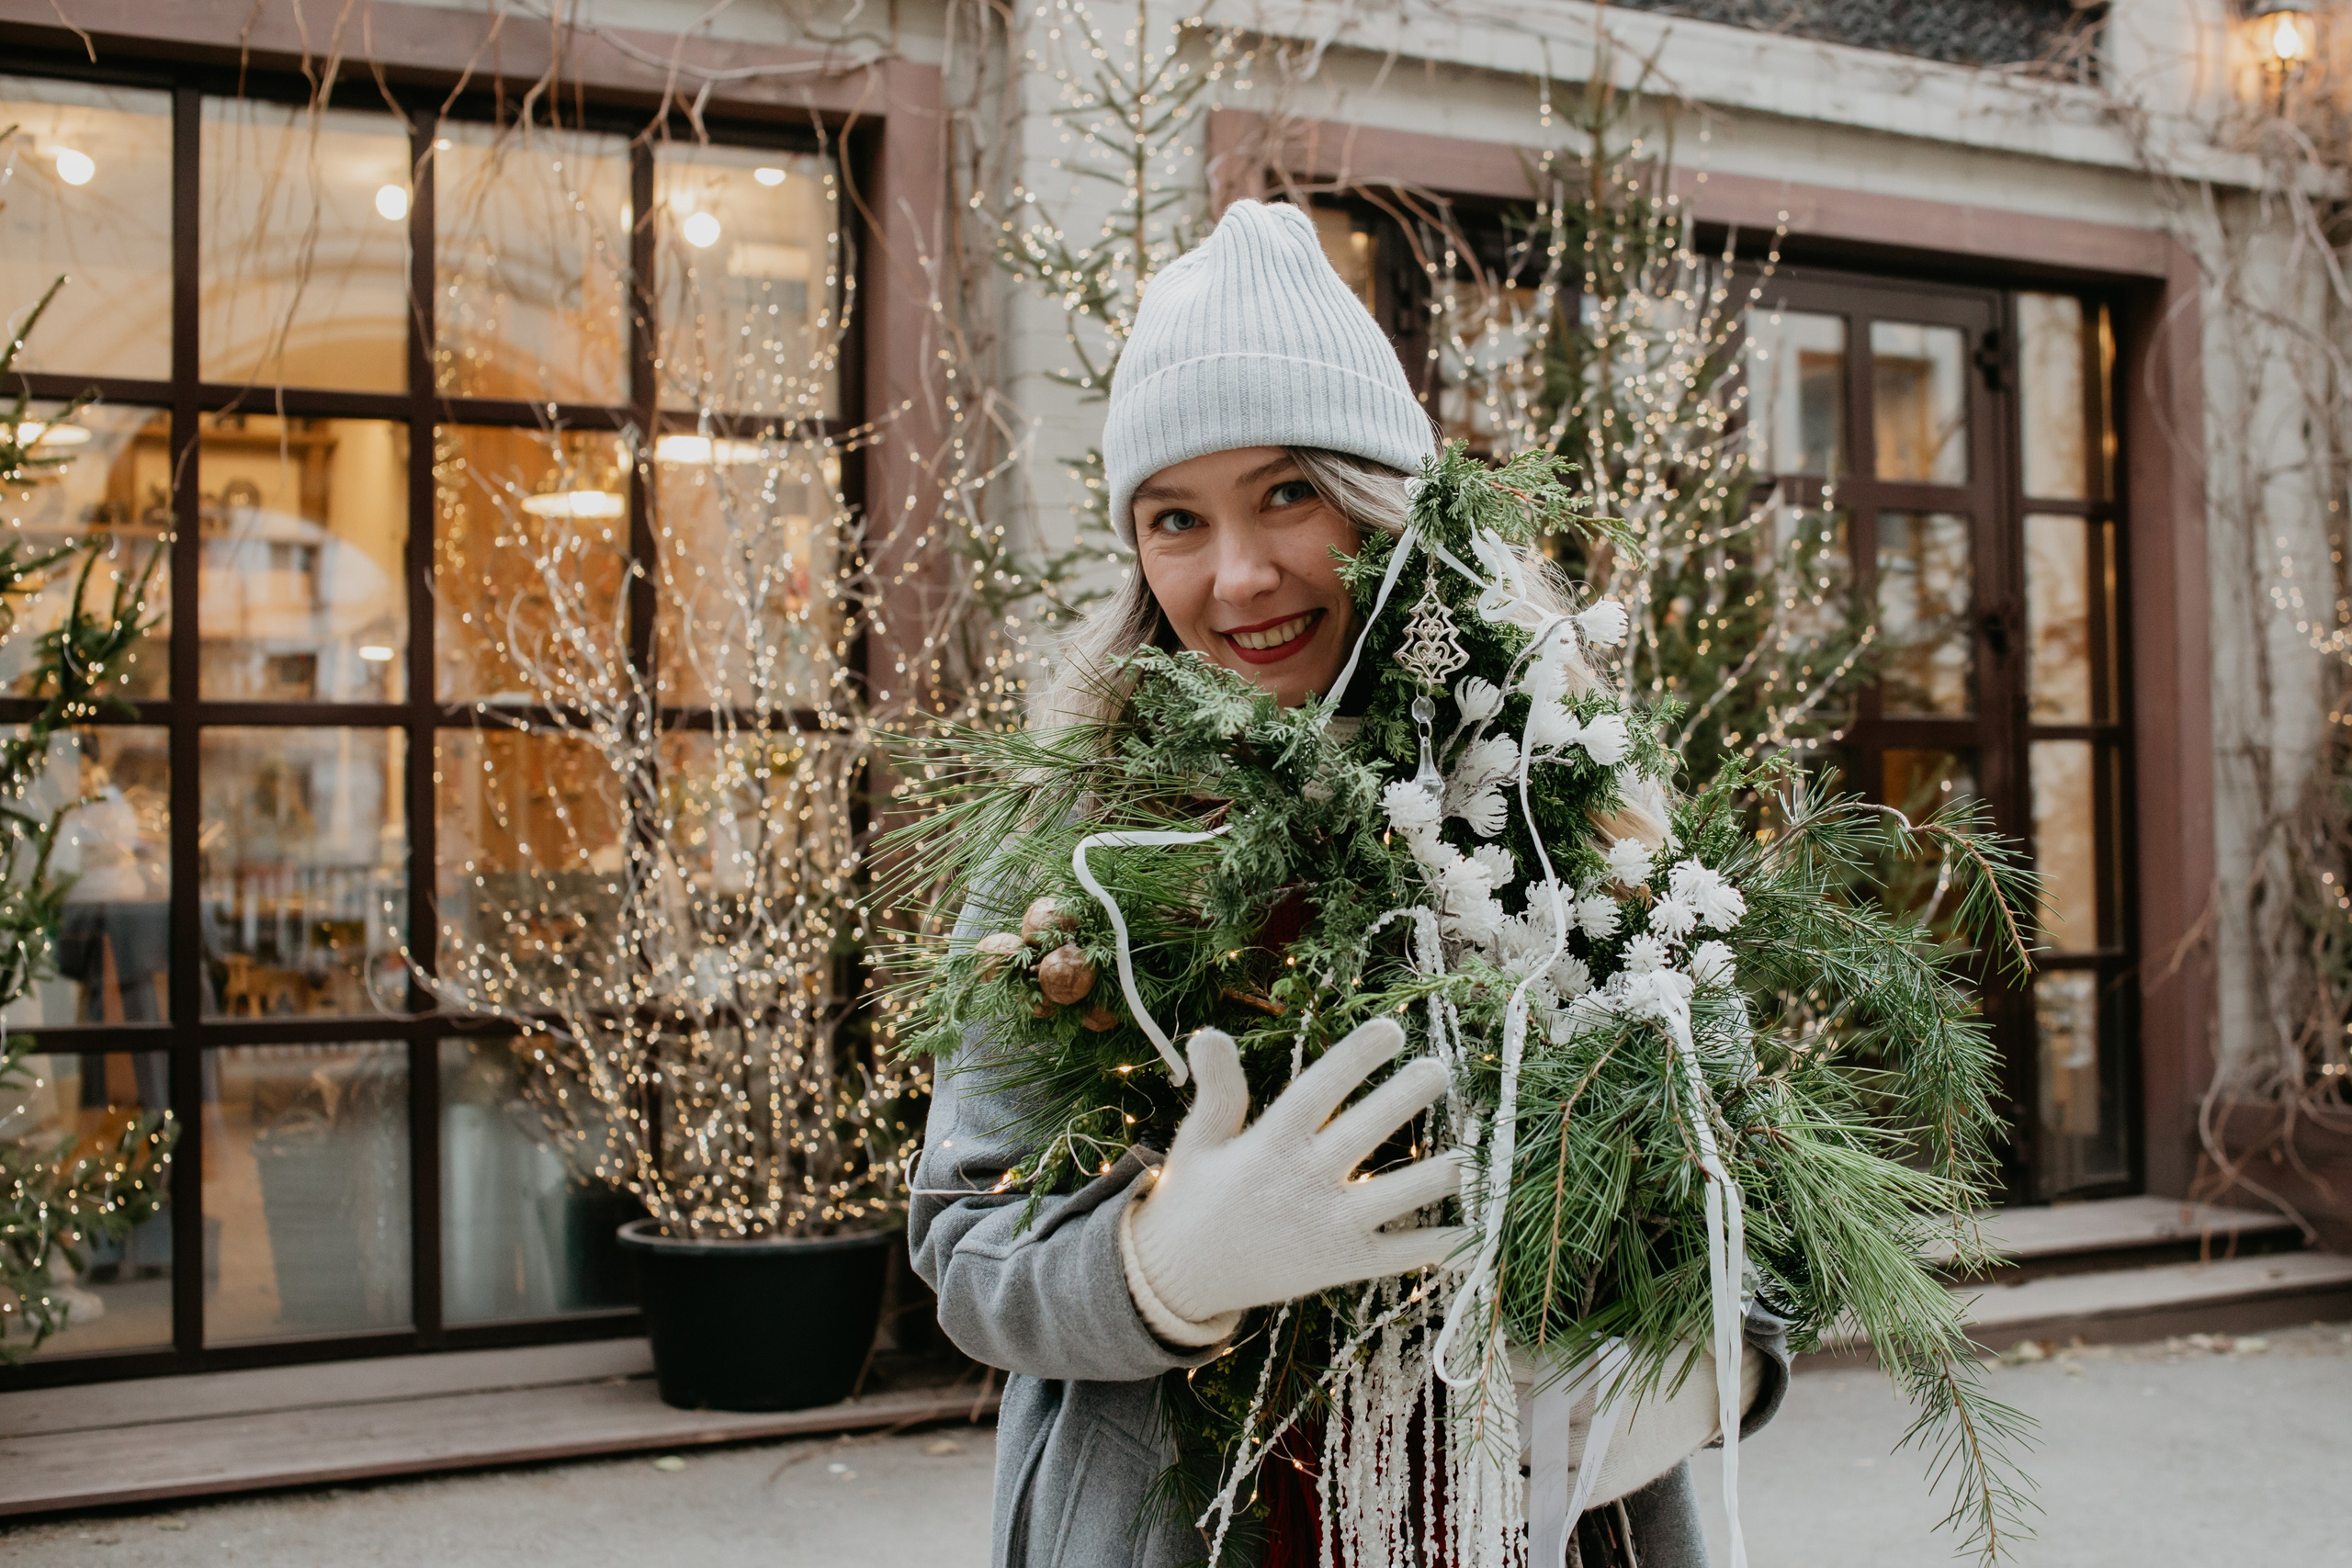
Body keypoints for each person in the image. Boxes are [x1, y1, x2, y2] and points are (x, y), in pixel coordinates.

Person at [910, 198, 1787, 1568]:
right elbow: (967, 1247)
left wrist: (1710, 1371)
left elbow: (1755, 1183)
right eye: (1175, 520)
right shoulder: (1078, 842)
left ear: (1386, 501)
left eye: (1288, 494)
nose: (1239, 574)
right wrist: (1158, 1270)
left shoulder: (1566, 791)